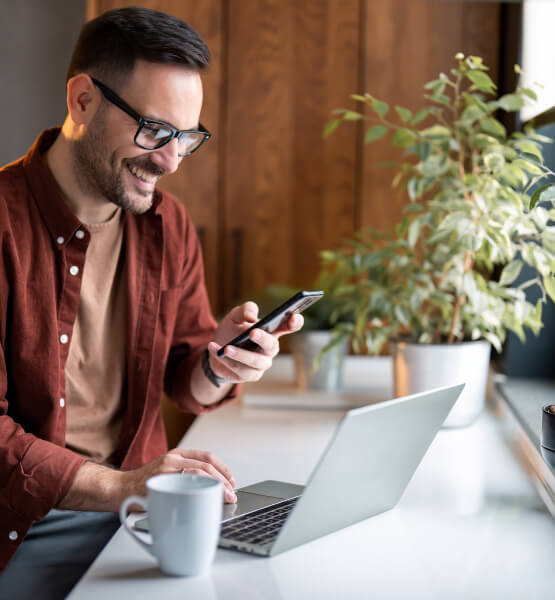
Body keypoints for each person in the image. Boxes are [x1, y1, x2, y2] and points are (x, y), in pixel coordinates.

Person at [0, 7, 302, 597]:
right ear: (83, 100)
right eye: (154, 131)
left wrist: (219, 363)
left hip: (141, 515)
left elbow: (185, 380)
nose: (169, 161)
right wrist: (127, 486)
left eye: (186, 137)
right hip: (27, 528)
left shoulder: (167, 225)